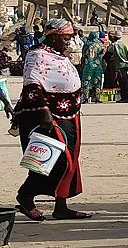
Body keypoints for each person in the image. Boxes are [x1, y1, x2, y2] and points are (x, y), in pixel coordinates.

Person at [14, 19, 91, 221]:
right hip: (45, 115)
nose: (69, 41)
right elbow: (32, 83)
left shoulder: (59, 56)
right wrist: (44, 111)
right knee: (51, 160)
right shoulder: (37, 54)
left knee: (70, 161)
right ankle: (26, 196)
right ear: (54, 36)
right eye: (66, 38)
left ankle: (61, 206)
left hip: (69, 114)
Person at [107, 30, 128, 103]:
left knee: (123, 82)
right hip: (125, 65)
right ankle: (127, 96)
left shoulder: (115, 45)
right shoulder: (122, 44)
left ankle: (125, 98)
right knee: (125, 81)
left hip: (120, 65)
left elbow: (109, 52)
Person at [80, 32, 105, 104]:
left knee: (86, 81)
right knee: (97, 82)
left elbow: (83, 55)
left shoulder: (87, 44)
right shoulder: (100, 45)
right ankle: (97, 98)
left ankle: (85, 98)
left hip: (88, 66)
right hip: (98, 66)